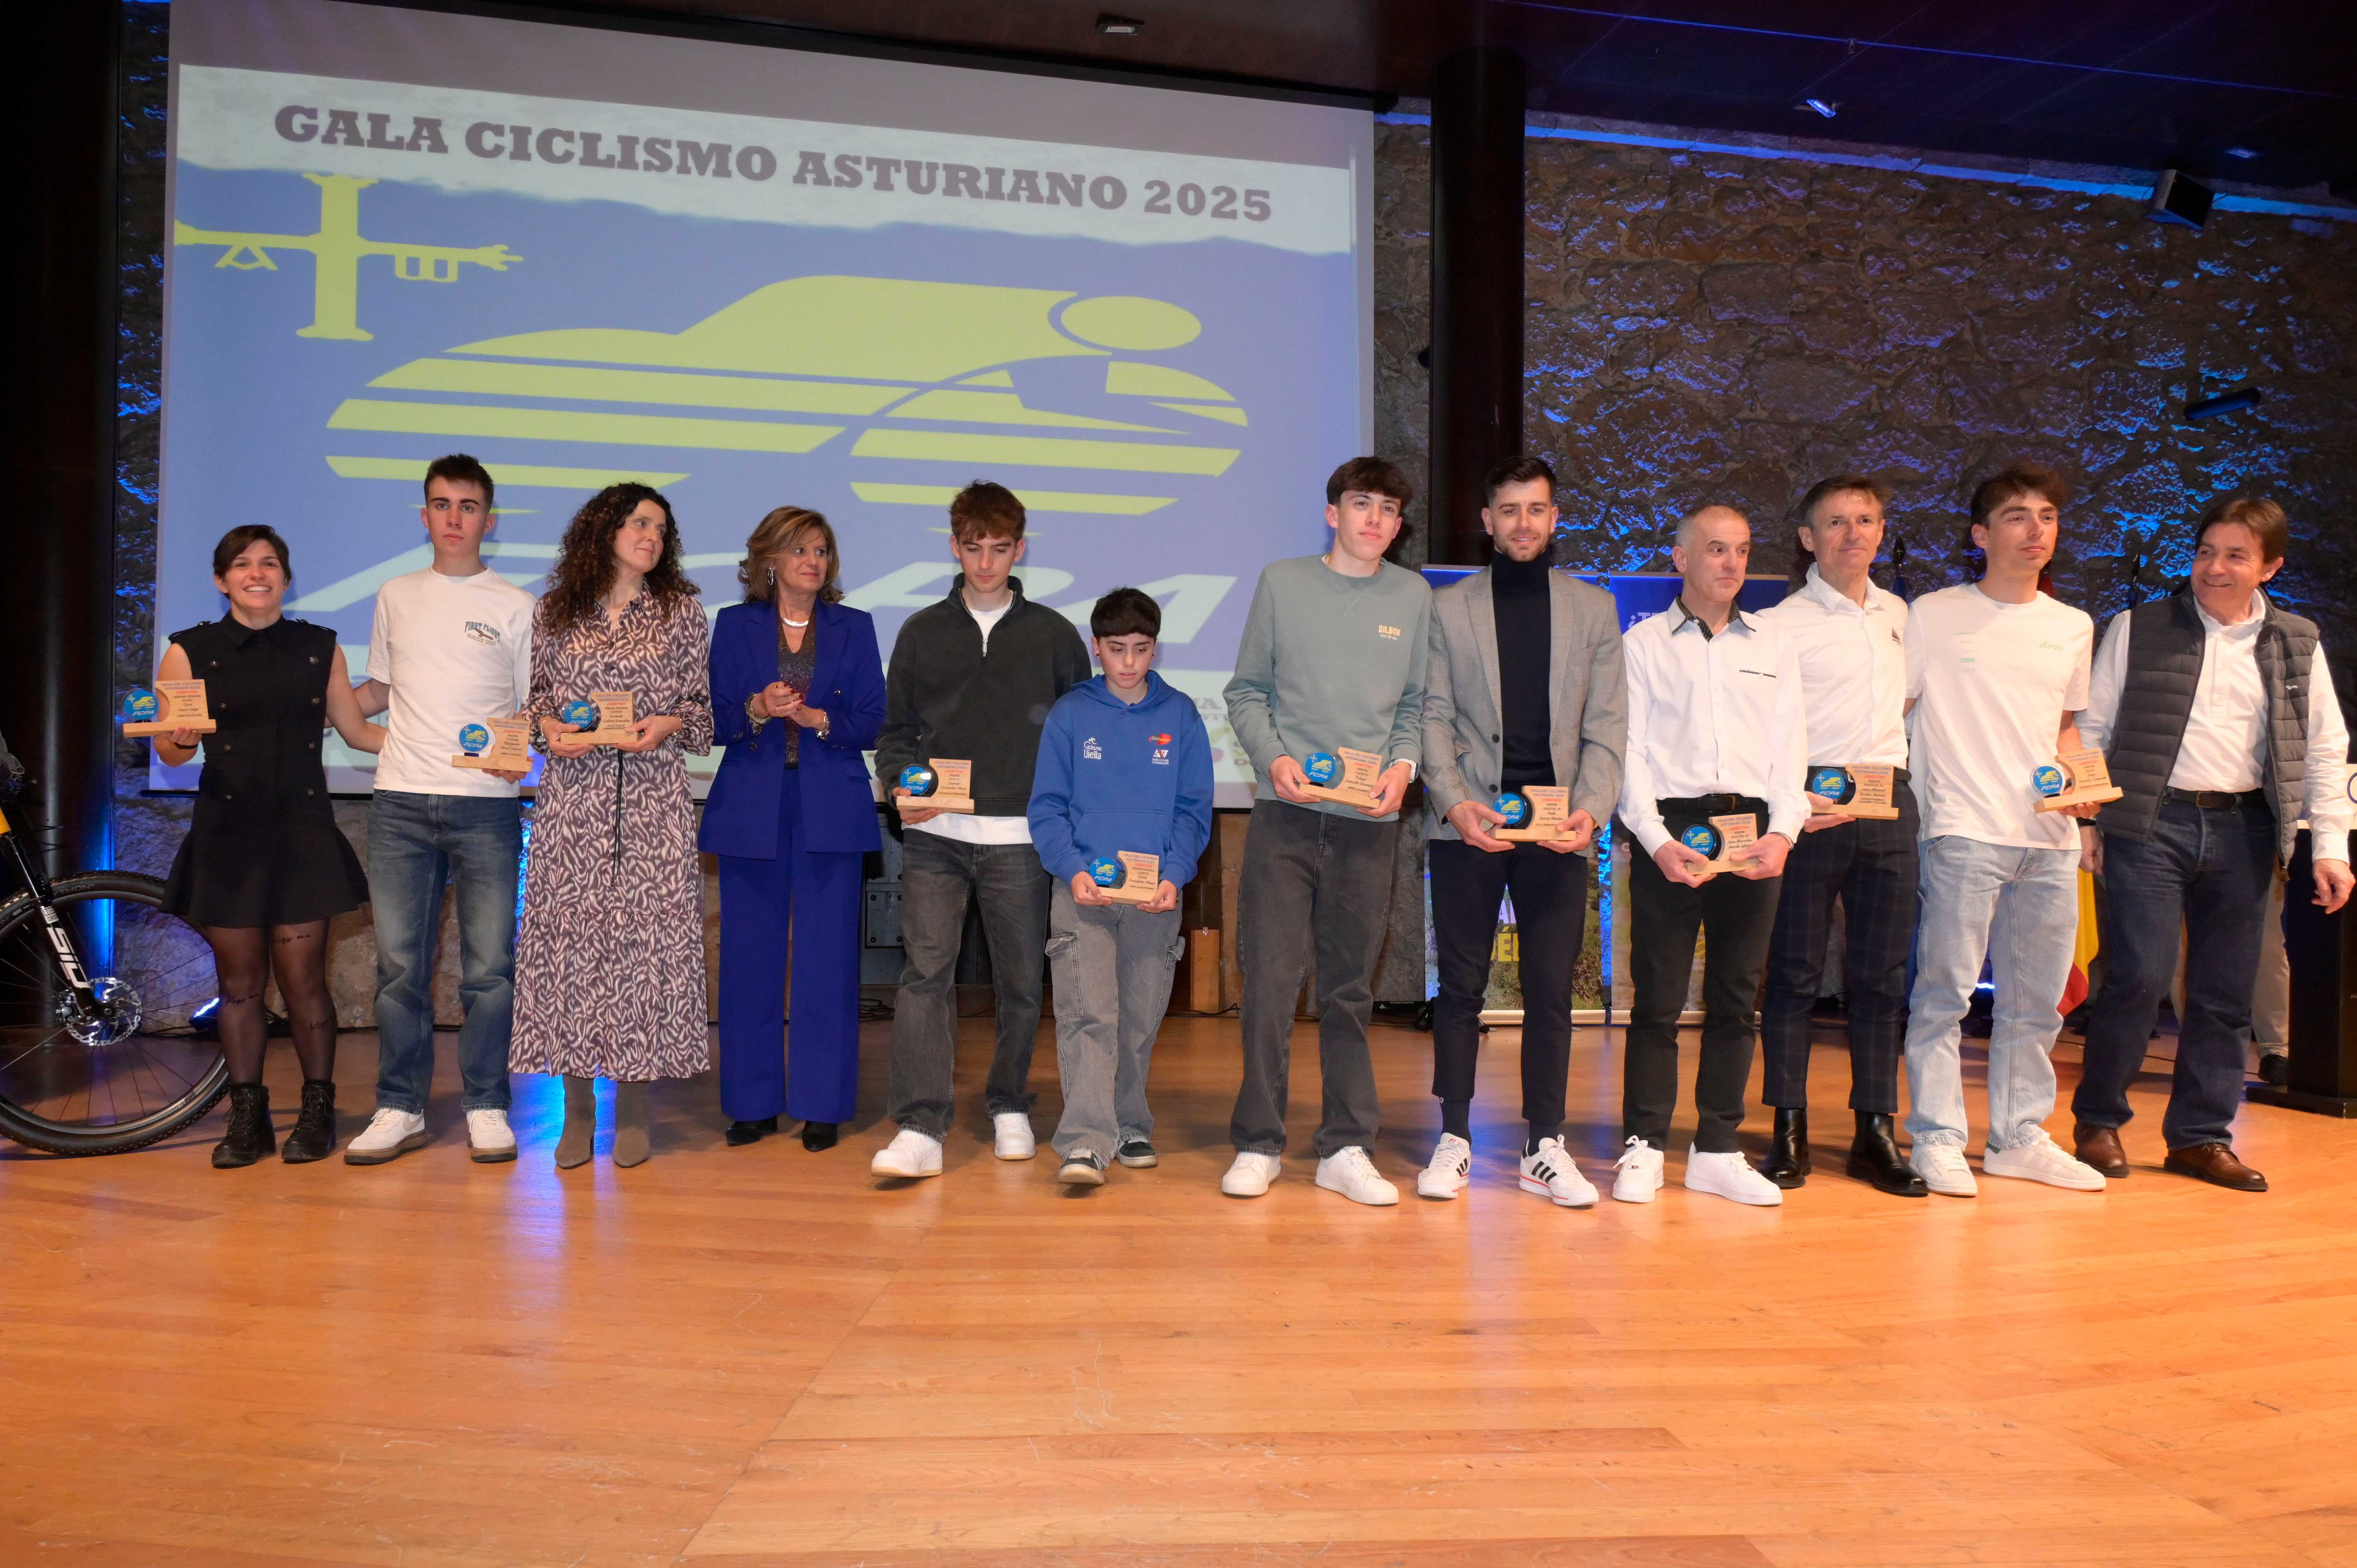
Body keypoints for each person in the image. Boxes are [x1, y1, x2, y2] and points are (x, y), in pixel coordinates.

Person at [2072, 495, 2352, 1191]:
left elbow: (2323, 748)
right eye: (2205, 553)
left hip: (2249, 829)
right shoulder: (2139, 627)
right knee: (2138, 976)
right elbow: (2094, 729)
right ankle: (2099, 1122)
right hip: (2149, 824)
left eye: (2235, 556)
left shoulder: (2298, 640)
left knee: (2225, 993)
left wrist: (2331, 849)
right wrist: (2086, 820)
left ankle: (2200, 1136)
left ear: (2270, 567)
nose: (2215, 568)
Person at [1220, 456, 1431, 1206]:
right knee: (1272, 986)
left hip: (1368, 826)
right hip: (1285, 818)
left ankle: (1347, 1145)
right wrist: (1273, 761)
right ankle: (1259, 1142)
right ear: (1332, 512)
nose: (1375, 520)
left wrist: (1404, 768)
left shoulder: (1411, 596)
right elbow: (1245, 692)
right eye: (1361, 504)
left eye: (1389, 510)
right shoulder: (1282, 583)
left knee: (1347, 993)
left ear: (1399, 525)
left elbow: (1414, 706)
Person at [1415, 455, 1624, 1207]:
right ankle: (1455, 1136)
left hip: (1560, 829)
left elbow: (1607, 727)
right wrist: (1451, 801)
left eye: (1536, 509)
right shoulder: (1448, 609)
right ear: (1487, 522)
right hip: (1471, 820)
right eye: (1509, 510)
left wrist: (1593, 811)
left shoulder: (1594, 610)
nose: (1524, 523)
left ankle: (1545, 1144)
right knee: (1462, 989)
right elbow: (1432, 714)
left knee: (1549, 992)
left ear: (1554, 518)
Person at [870, 482, 1092, 1180]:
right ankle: (921, 1124)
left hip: (1023, 840)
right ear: (955, 547)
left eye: (1000, 549)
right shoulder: (921, 632)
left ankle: (1009, 1104)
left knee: (1023, 982)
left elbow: (1075, 736)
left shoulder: (1054, 635)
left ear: (1020, 549)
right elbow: (896, 734)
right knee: (925, 977)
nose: (987, 562)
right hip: (935, 837)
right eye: (974, 548)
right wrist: (903, 781)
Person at [1900, 463, 2108, 1197]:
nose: (2036, 531)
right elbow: (1895, 710)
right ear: (1981, 534)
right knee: (1944, 997)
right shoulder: (1933, 614)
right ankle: (1938, 1136)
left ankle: (2020, 1135)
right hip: (1962, 830)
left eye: (2048, 516)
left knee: (2035, 1004)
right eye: (2018, 517)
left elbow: (2066, 728)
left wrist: (2086, 803)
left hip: (2047, 841)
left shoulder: (2072, 626)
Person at [151, 525, 382, 1167]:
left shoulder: (319, 647)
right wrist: (182, 737)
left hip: (302, 833)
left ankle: (318, 1109)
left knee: (306, 981)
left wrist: (454, 756)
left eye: (270, 563)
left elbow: (360, 732)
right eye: (243, 565)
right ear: (223, 580)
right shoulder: (187, 651)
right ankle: (247, 1115)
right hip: (228, 836)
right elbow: (168, 747)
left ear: (286, 576)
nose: (258, 573)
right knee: (241, 984)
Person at [510, 483, 713, 1168]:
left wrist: (668, 724)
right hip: (574, 803)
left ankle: (632, 1111)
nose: (651, 535)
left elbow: (700, 708)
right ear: (602, 531)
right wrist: (547, 731)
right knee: (568, 952)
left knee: (643, 955)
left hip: (654, 800)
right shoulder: (554, 610)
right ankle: (573, 1116)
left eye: (660, 526)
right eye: (637, 522)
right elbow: (537, 699)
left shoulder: (681, 612)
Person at [342, 454, 537, 1168]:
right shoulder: (395, 593)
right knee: (399, 970)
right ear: (424, 516)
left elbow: (529, 711)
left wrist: (524, 750)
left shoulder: (518, 606)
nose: (455, 517)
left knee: (489, 969)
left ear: (489, 518)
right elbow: (379, 690)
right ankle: (400, 1107)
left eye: (468, 505)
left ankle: (487, 1105)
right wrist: (314, 700)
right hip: (398, 801)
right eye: (441, 504)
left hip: (486, 806)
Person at [1613, 505, 1802, 1207]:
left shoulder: (1774, 647)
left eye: (1743, 551)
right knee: (1657, 1001)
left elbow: (1792, 751)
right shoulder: (1642, 646)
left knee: (1735, 999)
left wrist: (1783, 831)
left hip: (1753, 832)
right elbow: (1630, 754)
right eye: (1716, 549)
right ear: (1680, 558)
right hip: (1674, 831)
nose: (1731, 563)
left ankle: (1717, 1147)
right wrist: (1655, 841)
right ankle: (1643, 1144)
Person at [1753, 476, 1928, 1197]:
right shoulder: (1780, 624)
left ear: (1882, 532)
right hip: (1809, 809)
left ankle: (1875, 1131)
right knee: (1793, 975)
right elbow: (1764, 728)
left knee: (1882, 981)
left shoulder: (1901, 615)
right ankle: (1788, 1129)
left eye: (1865, 521)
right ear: (1807, 539)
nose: (1852, 534)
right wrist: (1792, 807)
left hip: (1889, 806)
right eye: (1835, 523)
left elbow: (1909, 705)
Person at [702, 507, 886, 1152]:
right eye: (800, 549)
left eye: (822, 550)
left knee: (826, 963)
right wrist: (755, 708)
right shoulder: (735, 626)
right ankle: (751, 1105)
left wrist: (817, 718)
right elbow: (715, 719)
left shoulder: (854, 628)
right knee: (749, 960)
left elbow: (872, 719)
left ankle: (822, 1104)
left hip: (830, 806)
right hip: (753, 806)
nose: (814, 560)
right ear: (770, 561)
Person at [1027, 587, 1214, 1186]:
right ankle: (1085, 1140)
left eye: (1140, 649)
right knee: (1090, 1014)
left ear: (1155, 650)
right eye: (1117, 650)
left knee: (1137, 1018)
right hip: (1082, 890)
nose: (1129, 662)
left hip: (1155, 894)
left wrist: (1175, 873)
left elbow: (1193, 809)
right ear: (1096, 648)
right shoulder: (1070, 715)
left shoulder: (1181, 715)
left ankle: (1130, 1122)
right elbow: (1048, 808)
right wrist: (1072, 868)